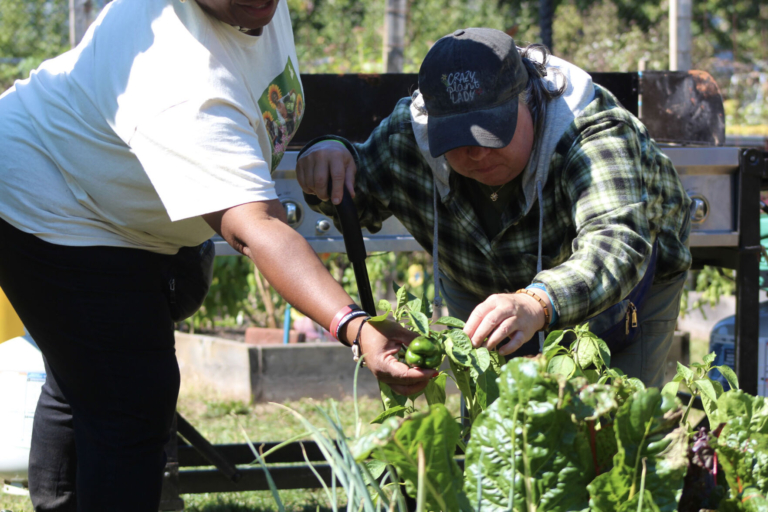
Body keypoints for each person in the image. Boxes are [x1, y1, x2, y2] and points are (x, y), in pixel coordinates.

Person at [0, 0, 434, 510]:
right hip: (56, 207)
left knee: (91, 377)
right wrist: (356, 327)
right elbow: (257, 228)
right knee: (132, 401)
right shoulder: (180, 75)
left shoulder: (253, 9)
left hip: (121, 207)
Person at [297, 28, 692, 388]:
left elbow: (616, 245)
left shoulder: (590, 130)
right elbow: (358, 192)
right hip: (478, 283)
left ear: (529, 99)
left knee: (609, 431)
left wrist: (537, 301)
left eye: (492, 131)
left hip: (616, 297)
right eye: (458, 137)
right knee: (497, 438)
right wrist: (328, 157)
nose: (478, 152)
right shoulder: (408, 133)